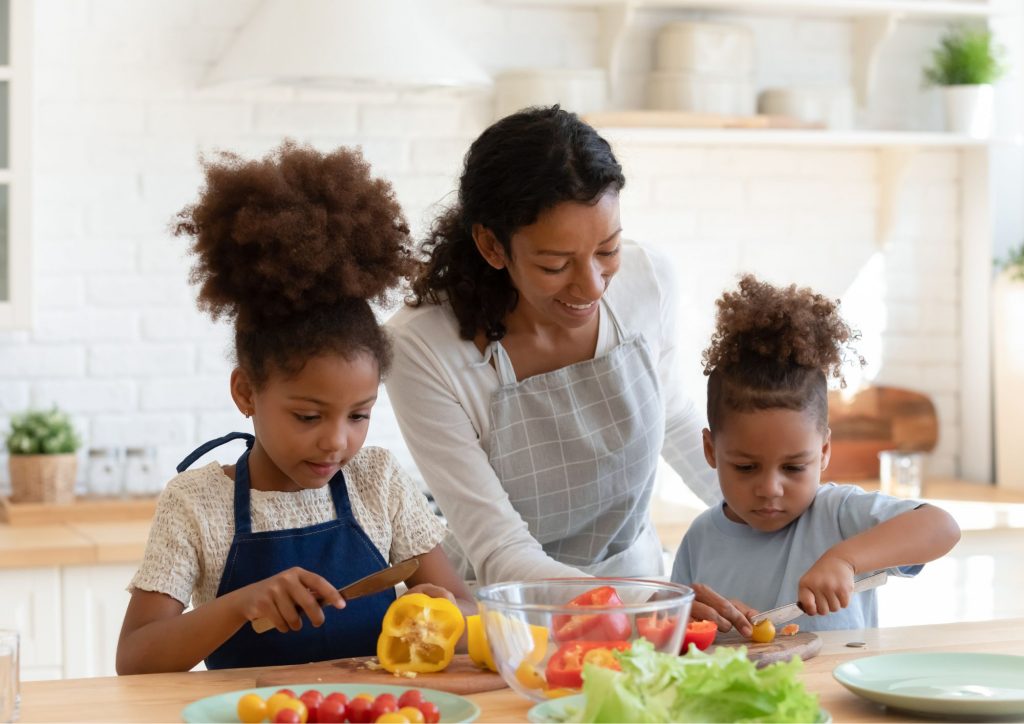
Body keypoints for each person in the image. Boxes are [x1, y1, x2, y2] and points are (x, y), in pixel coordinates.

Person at [385, 105, 749, 628]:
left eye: (608, 249)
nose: (593, 286)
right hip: (512, 622)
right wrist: (645, 606)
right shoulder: (422, 348)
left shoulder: (649, 280)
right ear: (492, 245)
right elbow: (499, 545)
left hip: (642, 590)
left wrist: (782, 508)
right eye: (555, 265)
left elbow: (670, 414)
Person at [116, 142, 471, 674]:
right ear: (245, 394)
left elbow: (463, 611)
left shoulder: (379, 483)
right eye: (309, 416)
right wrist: (240, 604)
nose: (336, 441)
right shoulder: (197, 504)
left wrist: (432, 615)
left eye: (359, 415)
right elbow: (136, 658)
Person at [671, 275, 961, 632]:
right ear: (711, 449)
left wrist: (846, 559)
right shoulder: (699, 539)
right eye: (746, 467)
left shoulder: (839, 516)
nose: (770, 488)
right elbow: (676, 634)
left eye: (793, 467)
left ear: (823, 451)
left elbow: (942, 527)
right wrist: (686, 620)